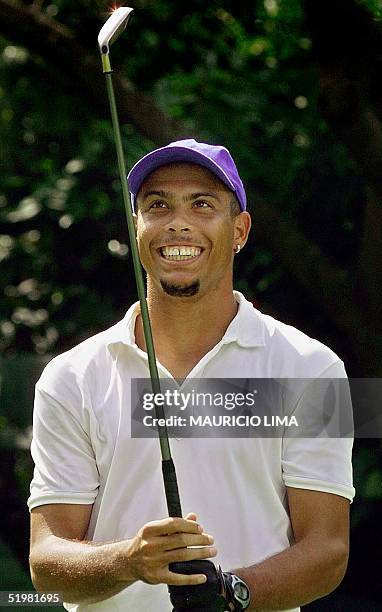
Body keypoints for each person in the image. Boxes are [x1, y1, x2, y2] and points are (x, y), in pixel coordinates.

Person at [28, 139, 355, 612]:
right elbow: (46, 565)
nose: (178, 222)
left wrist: (231, 594)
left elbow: (328, 552)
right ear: (135, 226)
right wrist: (129, 560)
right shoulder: (69, 378)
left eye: (202, 204)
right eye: (157, 205)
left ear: (239, 230)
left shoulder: (313, 368)